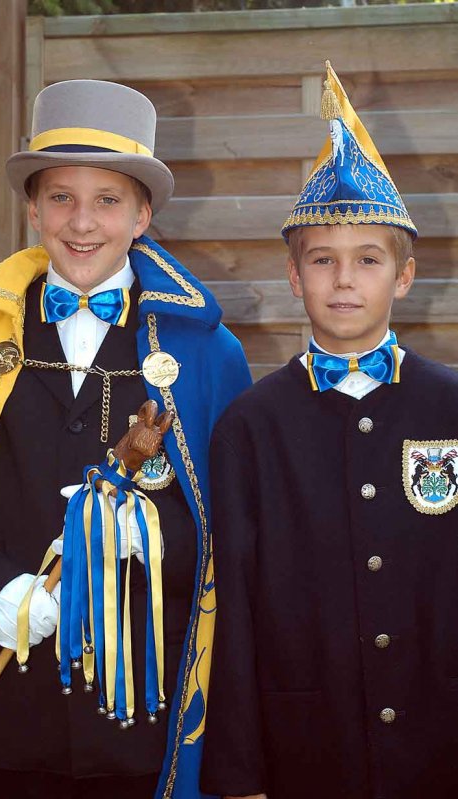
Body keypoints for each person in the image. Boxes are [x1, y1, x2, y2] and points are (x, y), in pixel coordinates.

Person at [0, 79, 251, 799]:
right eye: (61, 197)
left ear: (142, 215)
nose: (82, 222)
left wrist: (152, 534)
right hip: (3, 715)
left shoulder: (208, 353)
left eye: (108, 200)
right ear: (33, 208)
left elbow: (232, 528)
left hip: (143, 726)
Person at [200, 61, 458, 799]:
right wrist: (240, 775)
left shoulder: (450, 408)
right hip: (307, 752)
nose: (344, 279)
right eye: (322, 261)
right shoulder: (251, 427)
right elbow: (235, 611)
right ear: (294, 276)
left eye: (367, 260)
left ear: (403, 276)